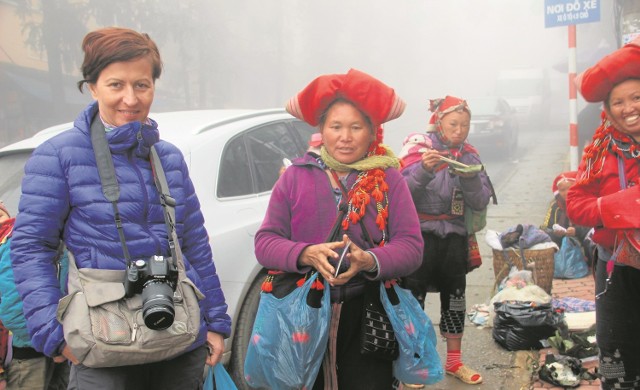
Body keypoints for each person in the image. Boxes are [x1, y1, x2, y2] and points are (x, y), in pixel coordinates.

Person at [9, 27, 231, 390]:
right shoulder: (58, 156)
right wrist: (53, 334)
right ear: (93, 87)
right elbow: (32, 248)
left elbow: (194, 244)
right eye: (116, 85)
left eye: (142, 85)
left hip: (178, 336)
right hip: (102, 344)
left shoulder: (168, 158)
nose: (130, 98)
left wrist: (217, 322)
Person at [254, 68, 423, 389]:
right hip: (302, 312)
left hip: (368, 315)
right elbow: (265, 243)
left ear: (372, 132)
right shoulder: (295, 177)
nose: (345, 136)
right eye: (336, 126)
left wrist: (369, 261)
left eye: (356, 127)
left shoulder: (388, 179)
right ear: (322, 130)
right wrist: (305, 253)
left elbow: (412, 248)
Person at [399, 96, 493, 386]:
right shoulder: (418, 149)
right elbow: (401, 194)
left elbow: (480, 201)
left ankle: (454, 362)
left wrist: (469, 178)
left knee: (456, 299)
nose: (460, 130)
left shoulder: (470, 155)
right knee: (413, 300)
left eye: (465, 124)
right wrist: (425, 170)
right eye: (453, 123)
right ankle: (414, 364)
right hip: (421, 236)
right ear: (439, 122)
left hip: (454, 237)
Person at [566, 36, 640, 390]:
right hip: (616, 270)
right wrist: (616, 207)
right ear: (608, 110)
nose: (629, 108)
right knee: (617, 355)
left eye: (637, 97)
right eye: (619, 102)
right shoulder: (600, 152)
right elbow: (575, 205)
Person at [0, 201, 70, 390]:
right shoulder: (24, 238)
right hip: (48, 342)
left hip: (38, 347)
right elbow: (12, 310)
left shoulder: (18, 239)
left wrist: (54, 343)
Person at [541, 171, 594, 264]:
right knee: (544, 237)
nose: (566, 193)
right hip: (562, 241)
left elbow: (593, 226)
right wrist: (556, 232)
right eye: (562, 190)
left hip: (582, 239)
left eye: (570, 188)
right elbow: (545, 226)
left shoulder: (586, 202)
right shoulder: (555, 205)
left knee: (592, 239)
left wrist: (576, 231)